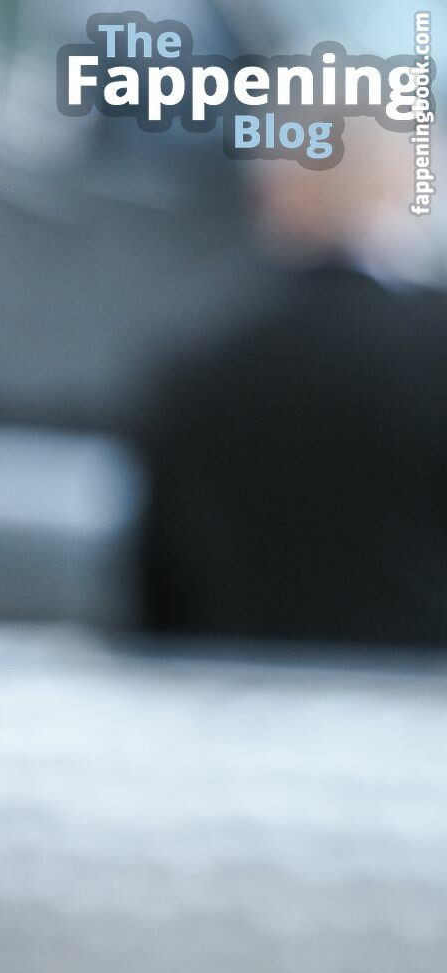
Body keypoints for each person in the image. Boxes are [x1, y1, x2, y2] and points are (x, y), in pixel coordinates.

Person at [135, 125, 447, 649]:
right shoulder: (433, 350)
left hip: (236, 686)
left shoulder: (197, 363)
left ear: (273, 191)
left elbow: (161, 595)